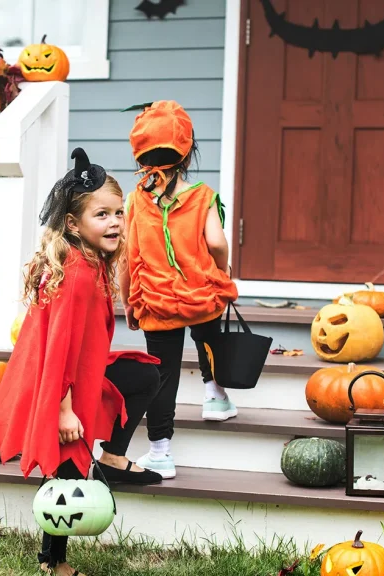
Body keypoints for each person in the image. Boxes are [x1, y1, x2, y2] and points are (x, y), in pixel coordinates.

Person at [0, 148, 162, 576]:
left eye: (119, 213)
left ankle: (114, 458)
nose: (115, 222)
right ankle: (54, 562)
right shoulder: (78, 274)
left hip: (80, 374)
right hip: (57, 384)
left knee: (144, 373)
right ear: (73, 224)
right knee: (64, 472)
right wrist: (63, 409)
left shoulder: (89, 263)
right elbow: (60, 346)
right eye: (101, 215)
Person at [120, 100, 239, 481]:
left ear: (140, 154)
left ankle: (161, 452)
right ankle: (215, 396)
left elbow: (126, 257)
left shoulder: (136, 200)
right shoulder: (202, 196)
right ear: (187, 152)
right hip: (201, 295)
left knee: (163, 375)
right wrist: (224, 270)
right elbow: (217, 243)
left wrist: (127, 301)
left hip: (156, 303)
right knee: (209, 341)